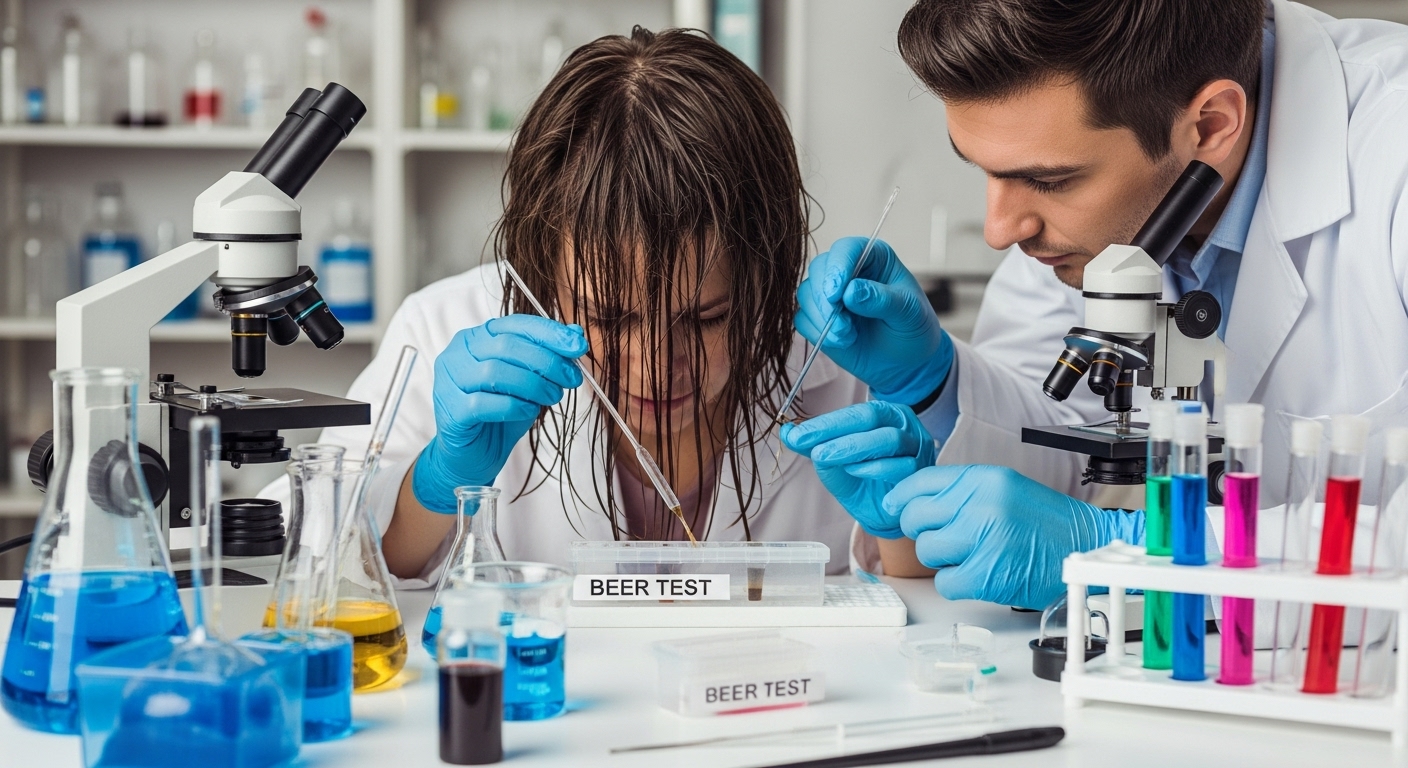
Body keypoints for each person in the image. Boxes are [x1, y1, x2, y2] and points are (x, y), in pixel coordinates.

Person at [782, 0, 1408, 609]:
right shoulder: (1088, 220)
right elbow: (1050, 466)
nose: (1001, 229)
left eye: (1048, 180)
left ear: (1210, 125)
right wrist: (934, 386)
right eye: (986, 171)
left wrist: (1139, 552)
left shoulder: (1393, 158)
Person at [260, 27, 864, 584]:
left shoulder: (843, 356)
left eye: (706, 317)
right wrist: (436, 483)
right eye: (607, 317)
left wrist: (913, 409)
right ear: (542, 267)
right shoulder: (442, 324)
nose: (655, 367)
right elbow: (297, 554)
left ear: (766, 271)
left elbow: (907, 588)